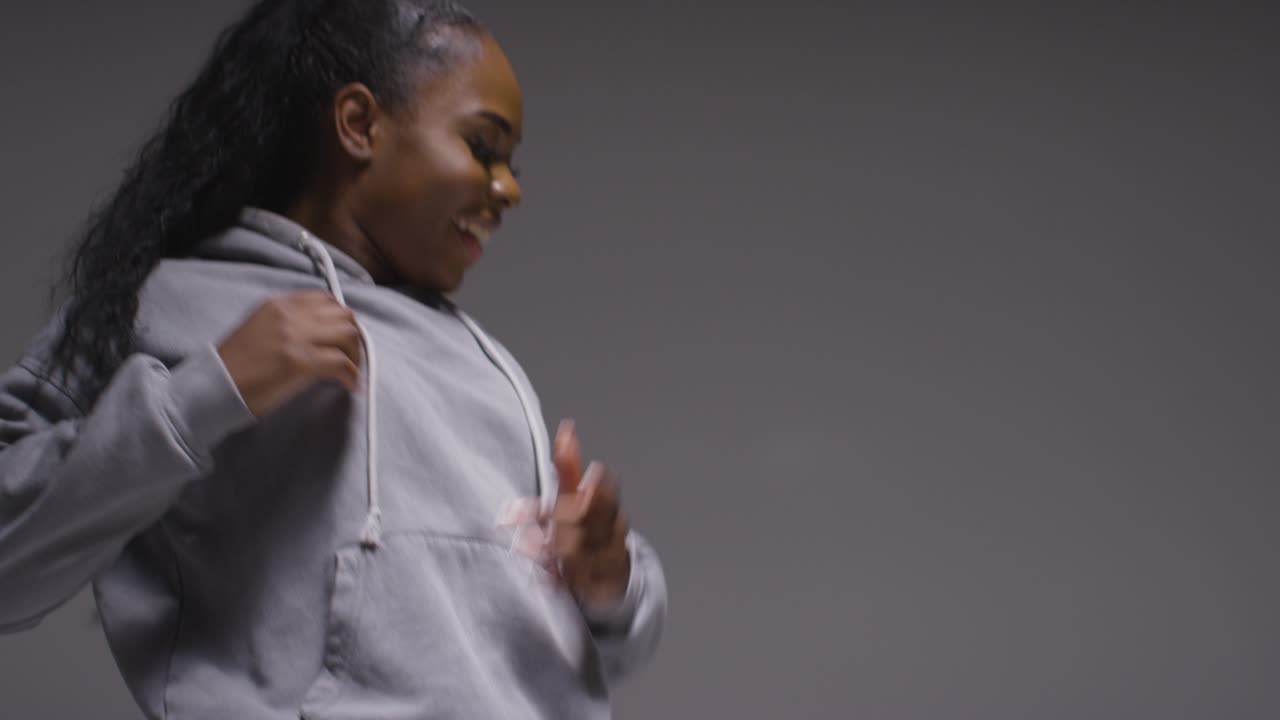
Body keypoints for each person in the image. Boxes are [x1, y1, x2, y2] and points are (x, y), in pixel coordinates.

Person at [0, 1, 667, 717]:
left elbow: (587, 656)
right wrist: (204, 396)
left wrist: (610, 582)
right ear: (359, 124)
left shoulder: (484, 369)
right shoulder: (171, 305)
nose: (510, 189)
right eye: (483, 147)